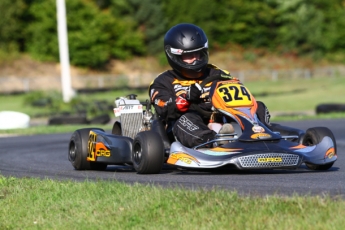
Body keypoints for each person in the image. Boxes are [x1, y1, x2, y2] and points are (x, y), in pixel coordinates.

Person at [149, 23, 271, 148]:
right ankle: (214, 141)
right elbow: (162, 105)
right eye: (190, 56)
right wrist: (185, 99)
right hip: (183, 128)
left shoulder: (217, 73)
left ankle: (264, 135)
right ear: (174, 56)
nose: (196, 59)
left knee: (258, 107)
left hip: (220, 118)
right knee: (186, 119)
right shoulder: (163, 81)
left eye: (199, 54)